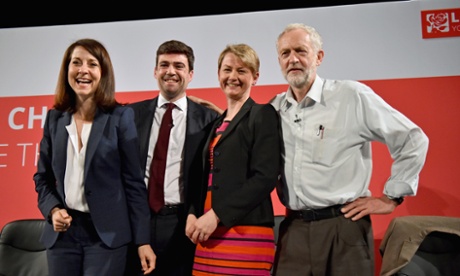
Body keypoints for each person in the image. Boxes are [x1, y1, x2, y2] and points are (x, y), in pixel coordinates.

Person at [269, 23, 430, 275]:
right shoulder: (275, 108)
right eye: (285, 53)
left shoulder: (351, 95)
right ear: (279, 60)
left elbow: (412, 138)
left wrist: (392, 197)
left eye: (301, 50)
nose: (293, 59)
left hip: (343, 228)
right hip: (294, 230)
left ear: (318, 56)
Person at [33, 38, 155, 276]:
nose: (83, 70)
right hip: (62, 237)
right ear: (67, 70)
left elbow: (134, 184)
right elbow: (42, 178)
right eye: (76, 63)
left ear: (103, 73)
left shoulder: (121, 117)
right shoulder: (54, 119)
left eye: (92, 64)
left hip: (106, 237)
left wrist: (143, 241)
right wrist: (53, 210)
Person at [124, 40, 219, 276]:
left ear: (190, 74)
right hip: (136, 222)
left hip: (182, 223)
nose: (171, 71)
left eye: (178, 66)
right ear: (155, 71)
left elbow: (209, 176)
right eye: (164, 65)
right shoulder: (129, 115)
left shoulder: (209, 119)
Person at [185, 43, 281, 275]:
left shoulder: (263, 114)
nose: (233, 77)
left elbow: (265, 177)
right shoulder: (215, 125)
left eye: (242, 71)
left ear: (255, 77)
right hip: (206, 233)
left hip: (246, 233)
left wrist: (216, 216)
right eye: (227, 70)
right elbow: (202, 177)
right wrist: (191, 214)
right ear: (219, 75)